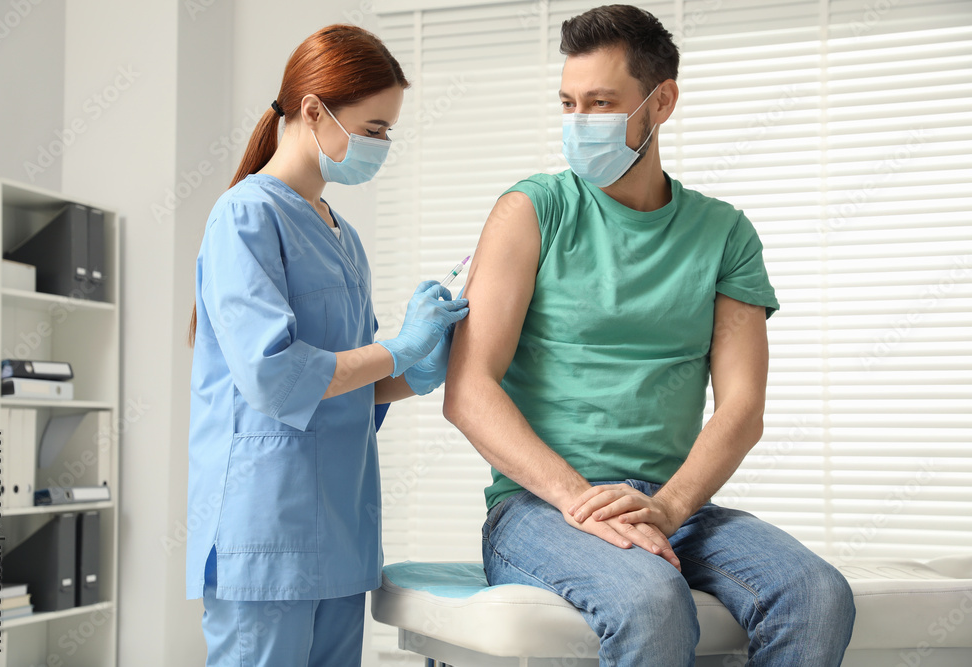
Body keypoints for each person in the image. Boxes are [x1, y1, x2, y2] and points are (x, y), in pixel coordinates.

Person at [443, 5, 855, 665]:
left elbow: (742, 407)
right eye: (569, 103)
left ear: (660, 102)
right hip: (542, 506)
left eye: (601, 103)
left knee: (816, 592)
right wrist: (579, 499)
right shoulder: (531, 210)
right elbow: (467, 388)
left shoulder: (723, 234)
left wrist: (665, 508)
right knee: (651, 600)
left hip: (673, 501)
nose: (580, 123)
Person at [185, 25, 468, 667]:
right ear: (313, 110)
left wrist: (421, 367)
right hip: (268, 531)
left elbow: (350, 384)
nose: (382, 145)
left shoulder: (342, 234)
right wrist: (398, 349)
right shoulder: (246, 215)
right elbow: (274, 377)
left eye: (387, 132)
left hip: (340, 530)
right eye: (373, 129)